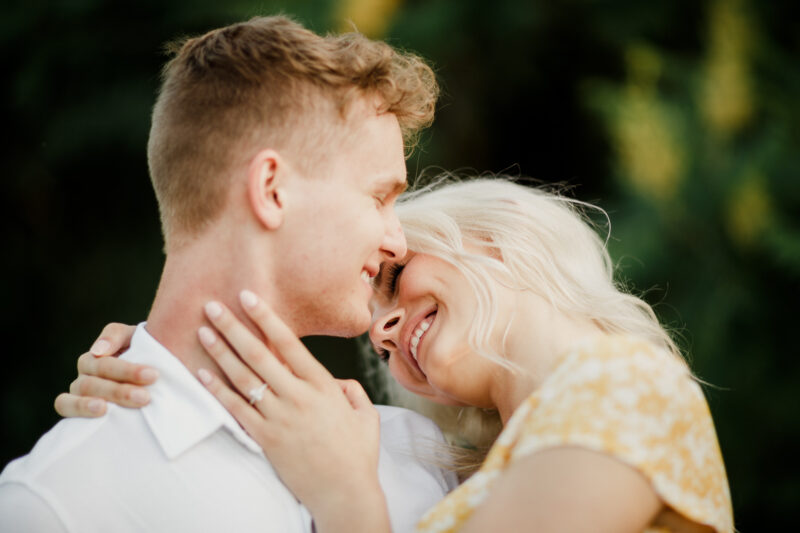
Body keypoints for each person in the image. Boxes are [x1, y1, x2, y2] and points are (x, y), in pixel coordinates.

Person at [58, 178, 734, 532]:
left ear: (491, 232)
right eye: (376, 333)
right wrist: (163, 366)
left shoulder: (625, 384)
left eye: (391, 276)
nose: (381, 332)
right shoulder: (474, 472)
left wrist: (346, 496)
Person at [0, 15, 458, 533]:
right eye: (379, 197)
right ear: (271, 190)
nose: (397, 242)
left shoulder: (420, 456)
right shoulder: (59, 502)